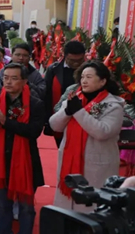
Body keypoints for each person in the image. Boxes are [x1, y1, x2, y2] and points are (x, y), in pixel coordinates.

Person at [0, 63, 45, 234]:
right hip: (1, 160)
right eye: (5, 78)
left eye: (14, 78)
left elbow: (34, 132)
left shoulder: (35, 103)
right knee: (2, 205)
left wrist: (6, 122)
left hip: (25, 161)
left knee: (26, 207)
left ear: (25, 81)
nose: (8, 82)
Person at [49, 61, 124, 213]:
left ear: (102, 81)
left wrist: (79, 112)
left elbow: (102, 132)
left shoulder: (112, 105)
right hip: (70, 160)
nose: (84, 81)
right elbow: (54, 125)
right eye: (82, 77)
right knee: (67, 209)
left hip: (97, 164)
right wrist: (67, 112)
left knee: (92, 208)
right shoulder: (75, 98)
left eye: (89, 77)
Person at [43, 41, 86, 148]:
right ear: (65, 56)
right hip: (59, 116)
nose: (76, 64)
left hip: (83, 118)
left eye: (80, 60)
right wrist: (47, 118)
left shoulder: (90, 70)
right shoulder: (53, 70)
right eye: (72, 60)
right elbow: (47, 95)